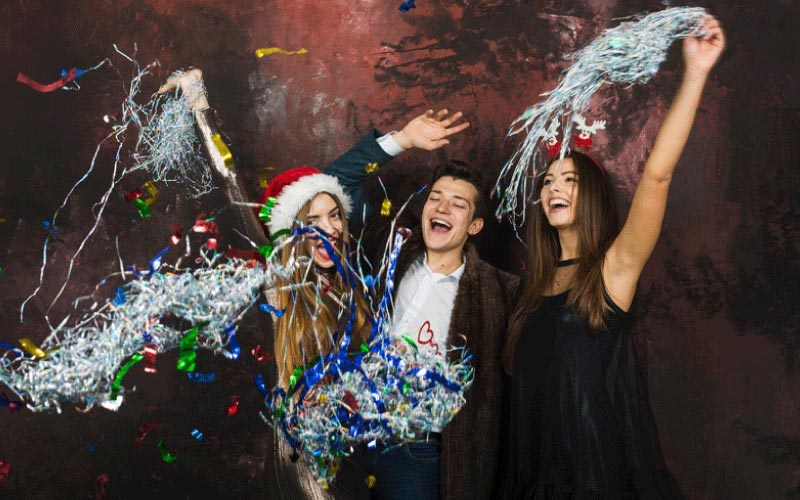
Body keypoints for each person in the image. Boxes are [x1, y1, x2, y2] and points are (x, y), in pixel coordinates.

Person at [158, 69, 470, 499]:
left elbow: (342, 182)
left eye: (335, 216)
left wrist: (405, 139)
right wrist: (197, 100)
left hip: (361, 458)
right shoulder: (275, 281)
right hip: (304, 465)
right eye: (312, 221)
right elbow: (228, 182)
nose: (330, 229)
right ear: (290, 232)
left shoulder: (354, 276)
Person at [501, 16, 725, 499]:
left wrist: (696, 74)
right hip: (530, 473)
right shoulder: (529, 286)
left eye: (570, 181)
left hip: (590, 472)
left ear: (593, 196)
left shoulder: (613, 268)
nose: (555, 188)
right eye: (547, 182)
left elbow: (657, 178)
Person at [344, 160, 519, 500]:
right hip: (352, 440)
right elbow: (341, 184)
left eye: (458, 204)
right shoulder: (390, 253)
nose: (442, 207)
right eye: (435, 198)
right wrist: (400, 140)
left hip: (419, 455)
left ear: (475, 225)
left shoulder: (497, 293)